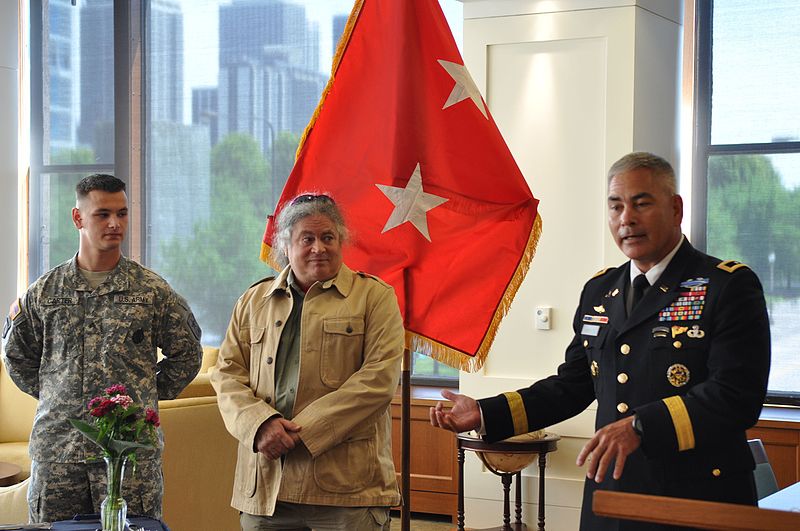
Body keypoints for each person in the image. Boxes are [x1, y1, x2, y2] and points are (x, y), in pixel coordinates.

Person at [430, 152, 771, 530]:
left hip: (696, 497)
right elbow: (573, 385)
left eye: (642, 203)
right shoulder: (600, 290)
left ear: (676, 209)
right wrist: (484, 411)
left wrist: (641, 425)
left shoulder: (726, 285)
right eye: (616, 206)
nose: (627, 218)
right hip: (612, 493)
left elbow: (737, 396)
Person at [2, 173, 202, 523]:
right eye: (102, 214)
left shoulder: (151, 291)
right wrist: (57, 393)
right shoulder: (45, 292)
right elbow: (17, 355)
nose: (115, 223)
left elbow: (187, 354)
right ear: (78, 218)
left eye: (122, 213)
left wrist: (143, 397)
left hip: (129, 455)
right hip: (59, 453)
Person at [210, 193, 404, 531]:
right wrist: (260, 425)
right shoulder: (253, 301)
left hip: (345, 490)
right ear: (286, 245)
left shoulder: (375, 297)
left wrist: (300, 433)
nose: (319, 248)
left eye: (328, 237)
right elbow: (226, 374)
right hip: (266, 490)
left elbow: (378, 380)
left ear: (342, 241)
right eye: (307, 239)